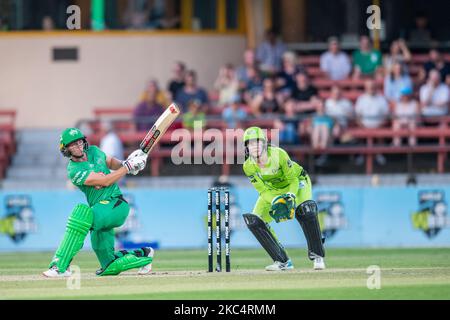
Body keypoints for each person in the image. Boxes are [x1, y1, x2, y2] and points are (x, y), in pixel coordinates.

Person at [43, 128, 153, 277]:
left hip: (116, 204)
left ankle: (60, 266)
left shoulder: (94, 151)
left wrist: (126, 163)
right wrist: (127, 168)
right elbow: (106, 181)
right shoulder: (73, 170)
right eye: (73, 144)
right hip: (100, 212)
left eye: (80, 141)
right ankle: (144, 255)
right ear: (66, 149)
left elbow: (112, 162)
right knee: (109, 266)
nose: (79, 146)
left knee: (81, 214)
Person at [242, 126, 325, 271]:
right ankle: (283, 261)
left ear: (264, 143)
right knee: (254, 221)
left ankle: (318, 256)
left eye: (257, 142)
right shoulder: (248, 166)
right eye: (250, 143)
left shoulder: (279, 155)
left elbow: (292, 179)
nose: (254, 146)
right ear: (247, 147)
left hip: (297, 182)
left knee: (306, 210)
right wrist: (276, 200)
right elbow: (262, 190)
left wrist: (290, 196)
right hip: (273, 190)